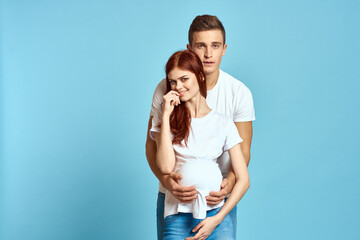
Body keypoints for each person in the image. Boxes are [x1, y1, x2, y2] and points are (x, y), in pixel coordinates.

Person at [146, 15, 255, 239]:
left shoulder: (238, 92)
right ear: (189, 49)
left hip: (217, 196)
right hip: (175, 200)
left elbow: (243, 152)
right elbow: (152, 147)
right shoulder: (167, 88)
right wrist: (167, 182)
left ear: (224, 48)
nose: (208, 54)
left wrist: (229, 184)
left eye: (215, 46)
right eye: (200, 46)